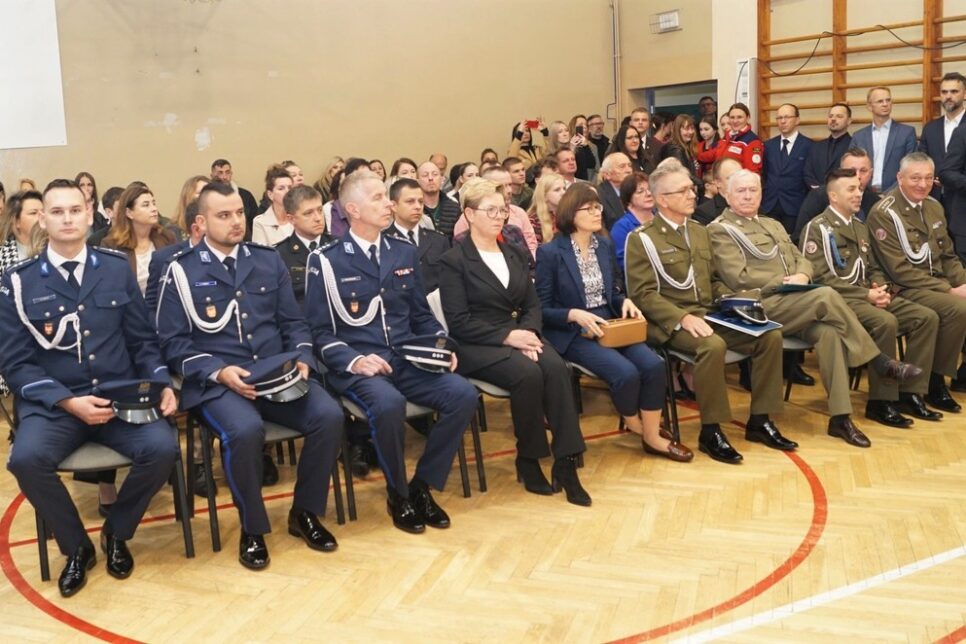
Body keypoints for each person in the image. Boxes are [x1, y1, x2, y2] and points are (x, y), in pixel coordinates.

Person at [0, 179, 179, 597]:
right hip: (57, 405)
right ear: (42, 218)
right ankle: (77, 548)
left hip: (118, 398)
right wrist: (67, 400)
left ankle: (117, 533)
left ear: (89, 214)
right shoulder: (18, 282)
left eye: (75, 210)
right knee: (25, 460)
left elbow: (142, 340)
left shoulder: (114, 267)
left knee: (163, 448)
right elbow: (16, 363)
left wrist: (159, 383)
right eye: (57, 211)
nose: (67, 218)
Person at [156, 181, 344, 569]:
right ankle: (253, 528)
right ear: (201, 222)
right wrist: (218, 371)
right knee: (244, 432)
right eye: (224, 216)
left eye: (239, 212)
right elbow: (173, 345)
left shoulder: (266, 259)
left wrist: (303, 356)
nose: (235, 221)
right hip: (219, 383)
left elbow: (293, 322)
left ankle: (305, 513)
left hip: (275, 374)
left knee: (329, 416)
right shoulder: (180, 271)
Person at [304, 171, 478, 533]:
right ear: (352, 209)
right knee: (388, 405)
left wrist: (441, 347)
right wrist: (353, 360)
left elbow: (420, 315)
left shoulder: (403, 251)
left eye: (387, 197)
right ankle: (398, 493)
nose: (388, 204)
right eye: (379, 198)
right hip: (359, 364)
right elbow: (318, 331)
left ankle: (422, 487)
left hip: (405, 356)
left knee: (462, 393)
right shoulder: (327, 260)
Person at [708, 169, 922, 448]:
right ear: (726, 194)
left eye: (754, 190)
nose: (748, 195)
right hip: (757, 305)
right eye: (741, 191)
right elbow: (740, 277)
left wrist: (803, 276)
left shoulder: (772, 224)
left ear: (762, 192)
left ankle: (840, 418)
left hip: (793, 300)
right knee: (825, 295)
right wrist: (786, 282)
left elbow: (801, 259)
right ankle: (879, 361)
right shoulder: (719, 229)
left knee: (829, 333)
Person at [439, 179, 590, 505]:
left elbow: (533, 303)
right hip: (477, 342)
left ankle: (567, 461)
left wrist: (530, 333)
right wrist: (509, 336)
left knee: (556, 366)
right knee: (528, 374)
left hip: (521, 332)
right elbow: (458, 322)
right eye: (490, 210)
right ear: (469, 214)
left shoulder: (513, 252)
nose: (499, 216)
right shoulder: (454, 261)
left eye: (503, 209)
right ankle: (529, 457)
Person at [624, 159, 786, 464]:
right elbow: (642, 294)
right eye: (683, 190)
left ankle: (760, 420)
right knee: (712, 345)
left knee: (770, 335)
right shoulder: (643, 238)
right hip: (669, 321)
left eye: (691, 188)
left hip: (706, 313)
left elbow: (711, 280)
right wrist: (682, 318)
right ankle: (711, 431)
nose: (691, 194)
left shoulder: (699, 232)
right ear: (662, 200)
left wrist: (736, 301)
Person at [535, 183, 689, 462]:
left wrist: (624, 301)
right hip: (574, 331)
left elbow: (614, 291)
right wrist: (573, 313)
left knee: (654, 364)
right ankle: (635, 424)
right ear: (571, 213)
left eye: (599, 207)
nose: (597, 213)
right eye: (590, 208)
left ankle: (652, 436)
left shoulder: (604, 246)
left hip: (611, 324)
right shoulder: (550, 253)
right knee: (625, 373)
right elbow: (542, 308)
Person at [800, 168, 944, 427]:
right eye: (851, 190)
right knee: (884, 322)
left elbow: (873, 266)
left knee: (926, 317)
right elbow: (820, 280)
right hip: (841, 301)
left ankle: (910, 393)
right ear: (833, 196)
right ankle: (881, 402)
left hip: (868, 295)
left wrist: (880, 288)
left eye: (860, 188)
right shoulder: (818, 229)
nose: (859, 194)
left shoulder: (859, 226)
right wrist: (866, 294)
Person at [869, 152, 966, 395]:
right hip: (904, 287)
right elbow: (899, 270)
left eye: (928, 178)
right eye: (915, 178)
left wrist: (963, 281)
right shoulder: (885, 212)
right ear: (900, 178)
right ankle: (934, 379)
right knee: (959, 307)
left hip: (934, 284)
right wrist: (951, 290)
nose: (922, 185)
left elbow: (948, 256)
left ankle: (949, 376)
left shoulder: (933, 207)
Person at [0, 190, 44, 397]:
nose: (41, 217)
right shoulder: (2, 257)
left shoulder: (55, 252)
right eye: (33, 213)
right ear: (16, 221)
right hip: (12, 333)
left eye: (43, 212)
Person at [101, 184, 179, 295]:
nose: (154, 209)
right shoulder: (111, 245)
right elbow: (109, 287)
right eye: (146, 205)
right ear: (129, 213)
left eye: (154, 203)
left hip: (161, 305)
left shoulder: (166, 237)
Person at [793, 147, 881, 243]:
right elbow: (800, 236)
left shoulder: (876, 203)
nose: (858, 176)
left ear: (871, 173)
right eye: (851, 171)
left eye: (863, 171)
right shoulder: (818, 196)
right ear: (841, 171)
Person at [384, 178, 449, 294]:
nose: (418, 206)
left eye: (420, 201)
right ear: (393, 206)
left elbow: (449, 282)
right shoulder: (383, 241)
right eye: (410, 201)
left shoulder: (439, 241)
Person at [274, 185, 332, 307]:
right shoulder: (279, 256)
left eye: (320, 210)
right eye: (308, 213)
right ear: (291, 219)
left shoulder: (337, 246)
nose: (318, 218)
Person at [851, 87, 917, 193]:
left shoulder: (906, 133)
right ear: (869, 106)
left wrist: (889, 194)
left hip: (896, 194)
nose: (885, 104)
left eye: (888, 100)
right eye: (880, 101)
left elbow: (910, 168)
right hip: (864, 194)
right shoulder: (858, 136)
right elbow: (850, 168)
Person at [761, 103, 813, 234]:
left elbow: (808, 177)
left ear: (797, 120)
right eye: (779, 118)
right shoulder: (768, 146)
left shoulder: (809, 146)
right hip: (770, 206)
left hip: (794, 207)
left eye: (787, 117)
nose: (782, 121)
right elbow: (766, 173)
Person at [922, 72, 966, 204]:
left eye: (954, 91)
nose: (948, 96)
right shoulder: (930, 129)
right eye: (944, 92)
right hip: (934, 197)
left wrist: (948, 179)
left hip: (962, 198)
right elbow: (922, 159)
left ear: (964, 94)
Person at [803, 103, 854, 189]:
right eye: (831, 116)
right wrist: (819, 190)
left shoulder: (853, 145)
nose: (833, 119)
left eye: (839, 116)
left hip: (842, 196)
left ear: (849, 121)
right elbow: (807, 173)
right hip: (817, 197)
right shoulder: (816, 146)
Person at [610, 172, 654, 267]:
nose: (648, 194)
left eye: (650, 189)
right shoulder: (621, 228)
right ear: (628, 199)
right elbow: (624, 263)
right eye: (640, 191)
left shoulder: (661, 218)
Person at [210, 158, 260, 238]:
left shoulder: (245, 195)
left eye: (227, 172)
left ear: (231, 174)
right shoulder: (208, 199)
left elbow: (255, 223)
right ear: (212, 176)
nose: (224, 177)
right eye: (220, 173)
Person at [251, 164, 294, 246]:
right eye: (281, 188)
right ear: (270, 194)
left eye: (290, 188)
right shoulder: (260, 222)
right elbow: (261, 255)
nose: (287, 192)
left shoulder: (299, 217)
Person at [417, 161, 461, 237]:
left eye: (435, 174)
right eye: (425, 175)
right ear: (417, 181)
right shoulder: (414, 208)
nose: (430, 178)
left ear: (442, 179)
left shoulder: (454, 207)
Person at [693, 157, 741, 225]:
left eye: (741, 176)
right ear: (718, 183)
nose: (738, 181)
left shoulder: (753, 206)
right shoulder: (704, 212)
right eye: (731, 178)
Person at [527, 171, 566, 244]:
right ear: (544, 196)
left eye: (564, 188)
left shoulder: (570, 215)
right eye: (557, 190)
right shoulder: (533, 222)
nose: (563, 193)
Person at [597, 152, 634, 229]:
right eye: (622, 166)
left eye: (629, 165)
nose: (629, 170)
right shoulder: (599, 195)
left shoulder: (636, 190)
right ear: (607, 175)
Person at [661, 115, 702, 183]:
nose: (690, 132)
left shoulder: (685, 147)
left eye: (692, 128)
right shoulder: (675, 149)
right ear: (678, 130)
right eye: (686, 129)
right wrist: (701, 184)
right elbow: (681, 173)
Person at [577, 113, 609, 182]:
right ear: (589, 127)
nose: (599, 126)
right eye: (595, 124)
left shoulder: (609, 145)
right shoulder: (584, 145)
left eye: (600, 123)